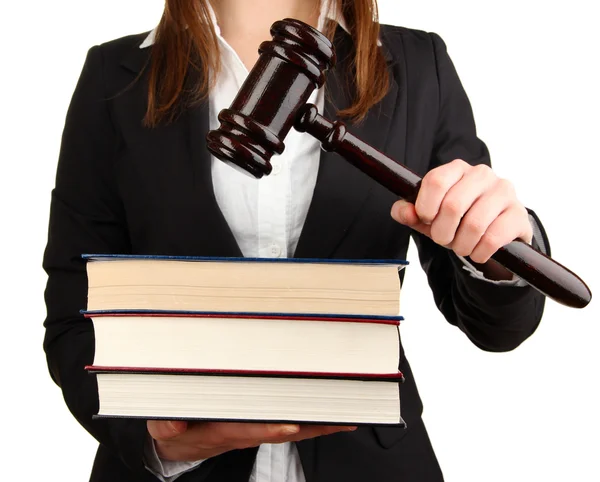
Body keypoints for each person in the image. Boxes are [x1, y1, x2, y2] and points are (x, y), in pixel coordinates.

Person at [42, 0, 550, 481]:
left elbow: (496, 325)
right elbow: (74, 314)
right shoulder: (114, 76)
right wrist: (158, 441)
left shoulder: (419, 66)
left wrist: (499, 252)